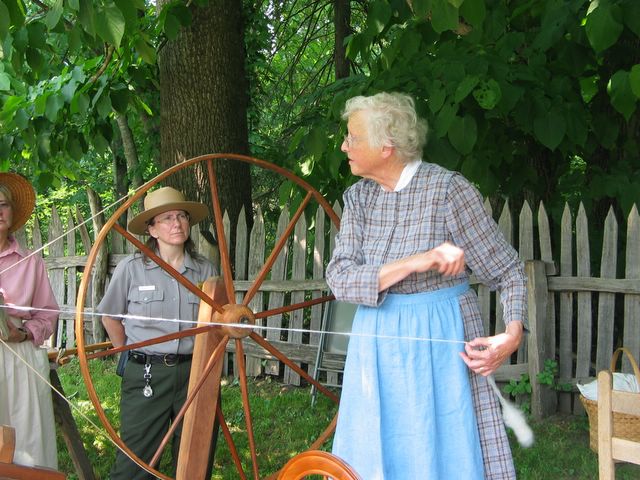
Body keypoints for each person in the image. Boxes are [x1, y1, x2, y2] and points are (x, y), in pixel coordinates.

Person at [326, 92, 527, 479]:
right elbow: (340, 279)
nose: (344, 146)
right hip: (375, 347)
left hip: (441, 342)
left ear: (386, 146)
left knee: (443, 448)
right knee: (377, 449)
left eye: (353, 138)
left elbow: (508, 270)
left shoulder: (448, 191)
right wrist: (416, 261)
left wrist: (512, 335)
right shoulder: (359, 198)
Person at [98, 186, 217, 480]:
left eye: (182, 216)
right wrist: (129, 354)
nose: (177, 224)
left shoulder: (205, 271)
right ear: (151, 229)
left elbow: (219, 324)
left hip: (195, 373)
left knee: (195, 458)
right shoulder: (131, 269)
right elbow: (110, 316)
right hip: (147, 373)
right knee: (136, 463)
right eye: (167, 218)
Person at [0, 172, 59, 469]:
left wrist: (22, 333)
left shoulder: (30, 261)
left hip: (20, 355)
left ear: (12, 212)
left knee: (26, 438)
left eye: (3, 205)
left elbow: (48, 314)